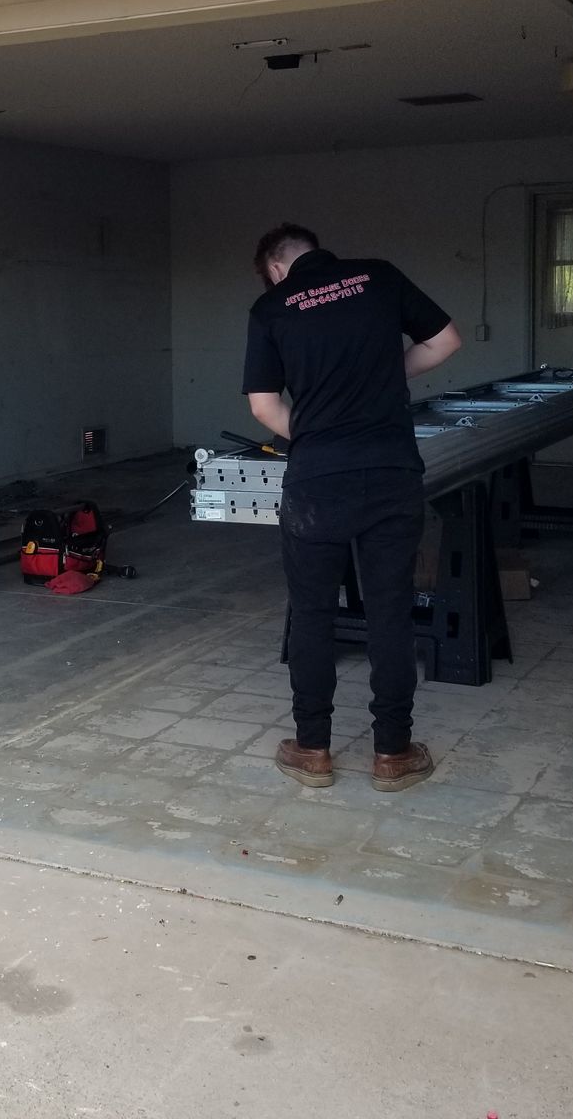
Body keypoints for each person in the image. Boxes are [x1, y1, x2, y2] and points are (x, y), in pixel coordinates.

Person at [241, 223, 462, 792]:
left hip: (318, 482)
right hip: (391, 470)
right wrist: (389, 376)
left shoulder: (271, 307)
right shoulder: (379, 276)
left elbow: (264, 407)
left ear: (275, 267)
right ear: (317, 251)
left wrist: (315, 434)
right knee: (389, 610)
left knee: (313, 612)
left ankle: (312, 749)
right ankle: (393, 751)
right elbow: (445, 342)